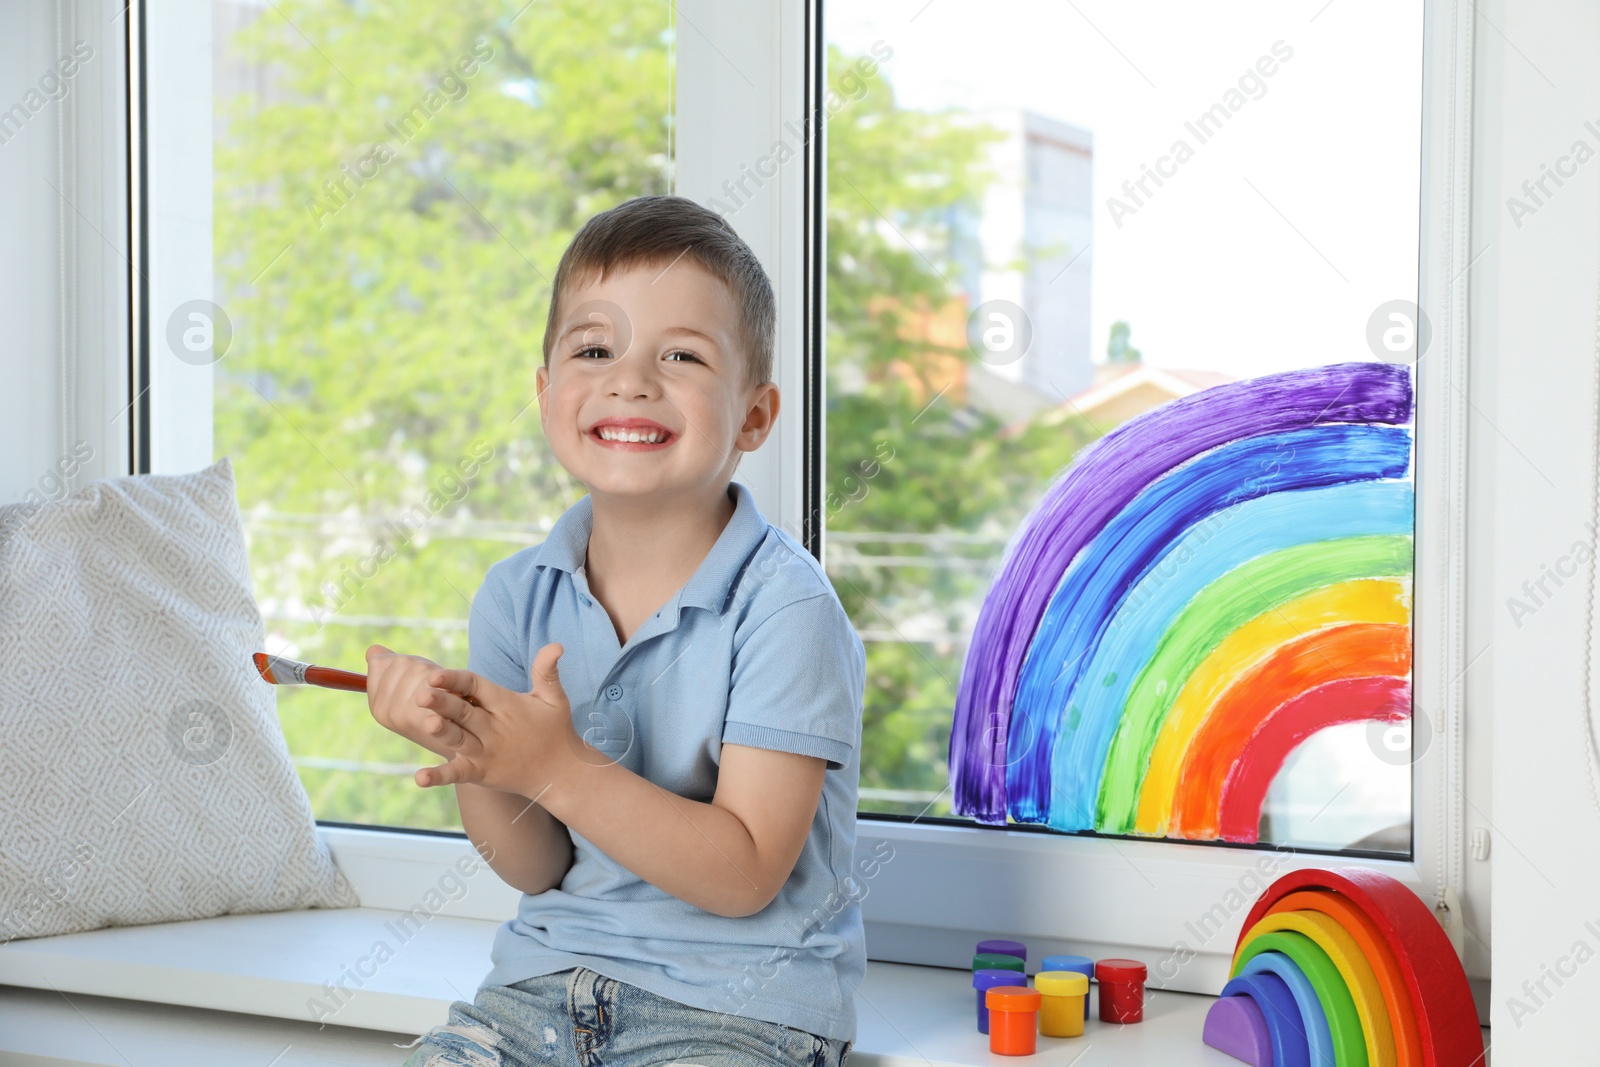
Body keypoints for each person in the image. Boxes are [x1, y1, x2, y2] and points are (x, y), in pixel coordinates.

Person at [366, 195, 867, 1067]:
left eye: (681, 355)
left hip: (734, 1016)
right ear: (546, 390)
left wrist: (558, 764)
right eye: (594, 349)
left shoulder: (788, 608)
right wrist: (477, 750)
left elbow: (745, 873)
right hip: (534, 997)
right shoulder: (514, 597)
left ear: (755, 415)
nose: (631, 379)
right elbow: (532, 865)